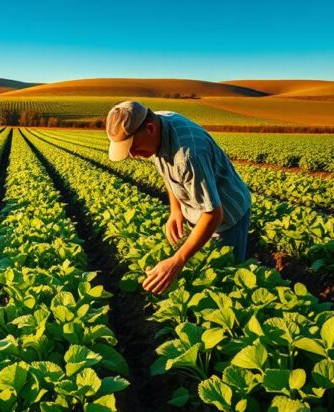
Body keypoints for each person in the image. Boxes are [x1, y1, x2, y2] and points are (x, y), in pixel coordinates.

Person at [105, 100, 252, 294]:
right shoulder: (159, 123)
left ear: (150, 128)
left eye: (133, 146)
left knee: (224, 278)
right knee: (201, 266)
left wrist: (177, 260)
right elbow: (168, 172)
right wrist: (175, 210)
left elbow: (213, 214)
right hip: (202, 207)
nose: (132, 155)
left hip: (226, 215)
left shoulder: (188, 156)